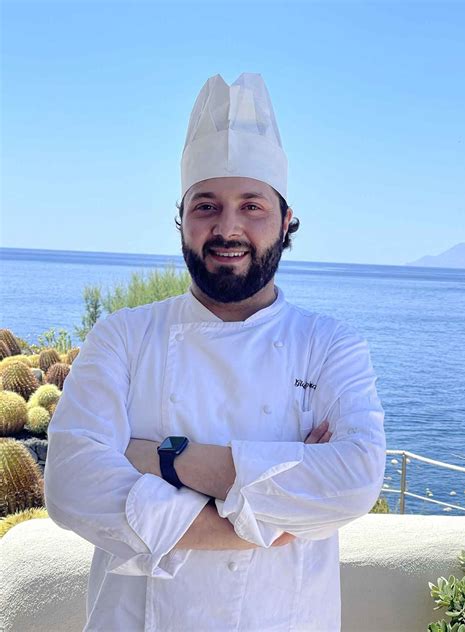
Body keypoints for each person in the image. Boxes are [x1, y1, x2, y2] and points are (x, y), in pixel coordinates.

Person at [44, 73, 386, 632]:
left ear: (286, 221)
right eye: (207, 206)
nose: (228, 228)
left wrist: (162, 457)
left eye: (252, 206)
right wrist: (259, 519)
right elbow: (71, 483)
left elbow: (355, 478)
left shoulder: (330, 345)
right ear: (182, 219)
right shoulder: (123, 336)